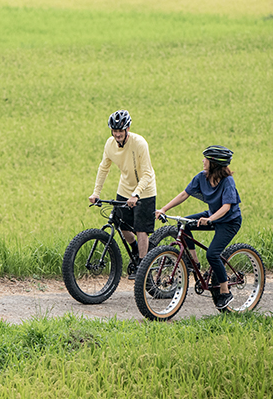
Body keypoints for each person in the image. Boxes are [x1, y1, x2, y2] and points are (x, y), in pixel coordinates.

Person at [155, 145, 241, 310]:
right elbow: (184, 194)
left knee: (213, 254)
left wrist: (210, 219)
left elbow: (226, 207)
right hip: (212, 216)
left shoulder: (227, 181)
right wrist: (164, 209)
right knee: (184, 224)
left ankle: (225, 291)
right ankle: (193, 261)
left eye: (206, 159)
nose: (203, 161)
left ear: (214, 163)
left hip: (229, 221)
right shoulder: (202, 177)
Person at [88, 110, 157, 279]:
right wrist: (96, 192)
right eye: (114, 131)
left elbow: (147, 174)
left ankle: (143, 267)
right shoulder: (110, 144)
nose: (117, 134)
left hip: (145, 191)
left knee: (141, 230)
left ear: (128, 129)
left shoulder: (139, 143)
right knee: (122, 226)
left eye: (120, 131)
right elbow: (104, 168)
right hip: (125, 189)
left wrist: (137, 194)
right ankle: (137, 251)